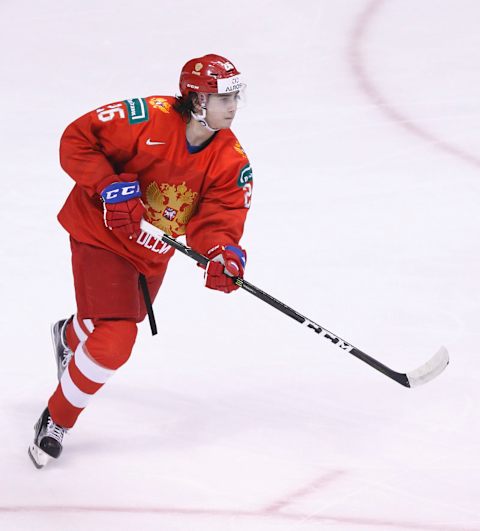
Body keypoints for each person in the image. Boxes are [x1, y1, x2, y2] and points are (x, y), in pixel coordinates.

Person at [28, 54, 253, 469]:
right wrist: (108, 185)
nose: (233, 106)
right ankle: (57, 419)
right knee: (116, 339)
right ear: (196, 100)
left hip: (152, 251)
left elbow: (218, 218)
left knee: (102, 323)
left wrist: (222, 253)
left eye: (235, 97)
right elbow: (77, 139)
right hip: (101, 233)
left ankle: (70, 335)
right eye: (223, 98)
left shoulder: (231, 160)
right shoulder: (143, 117)